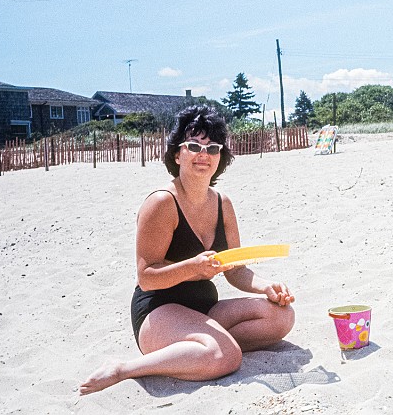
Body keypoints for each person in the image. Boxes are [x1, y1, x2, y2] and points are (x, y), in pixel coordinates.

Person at [80, 106, 295, 395]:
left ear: (221, 157)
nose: (203, 154)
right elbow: (147, 277)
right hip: (159, 310)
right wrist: (193, 267)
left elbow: (237, 270)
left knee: (282, 316)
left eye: (212, 148)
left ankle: (199, 347)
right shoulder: (161, 203)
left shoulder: (223, 204)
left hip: (204, 307)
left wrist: (267, 286)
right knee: (226, 357)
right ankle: (124, 368)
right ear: (178, 154)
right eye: (194, 146)